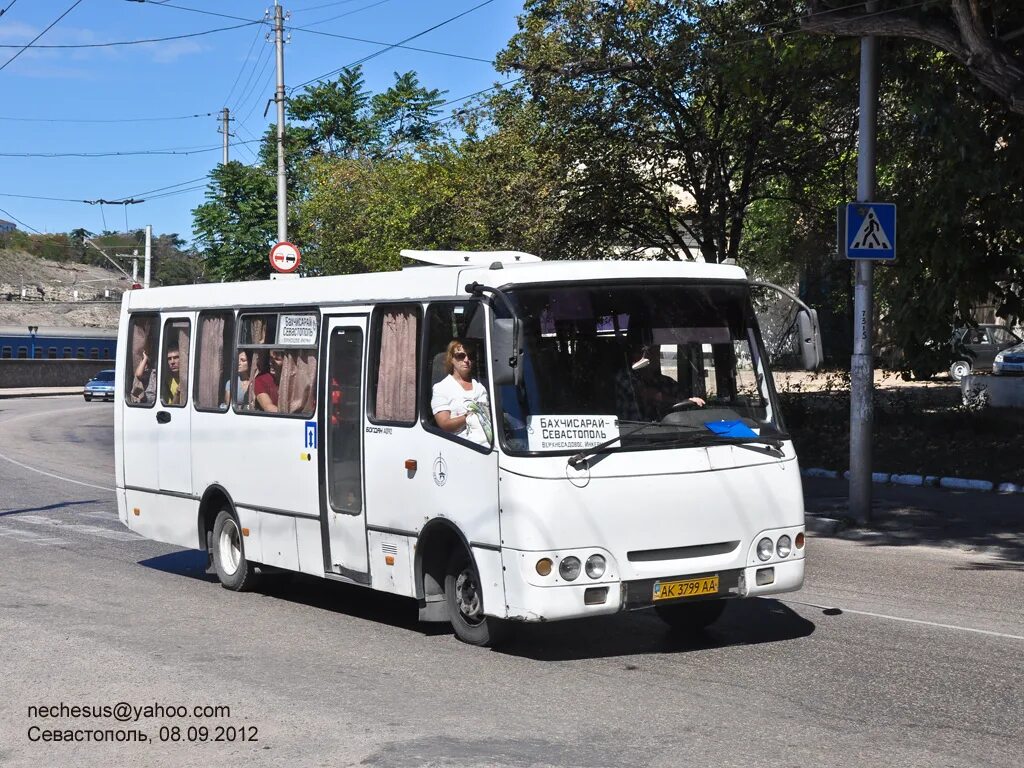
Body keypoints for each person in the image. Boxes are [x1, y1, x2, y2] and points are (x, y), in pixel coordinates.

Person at [614, 336, 704, 421]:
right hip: (631, 432)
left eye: (657, 352)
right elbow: (648, 393)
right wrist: (675, 400)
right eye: (650, 353)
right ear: (636, 355)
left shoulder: (667, 382)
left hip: (667, 433)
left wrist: (691, 401)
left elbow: (684, 400)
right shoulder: (625, 378)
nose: (655, 357)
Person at [431, 339, 492, 447]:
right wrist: (470, 416)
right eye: (461, 356)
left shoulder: (480, 386)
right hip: (462, 447)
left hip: (490, 445)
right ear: (451, 359)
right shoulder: (441, 388)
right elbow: (444, 424)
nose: (466, 360)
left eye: (470, 356)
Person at [254, 349, 283, 413]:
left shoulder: (293, 380)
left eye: (277, 359)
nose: (271, 362)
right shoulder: (261, 379)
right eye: (271, 358)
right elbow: (268, 407)